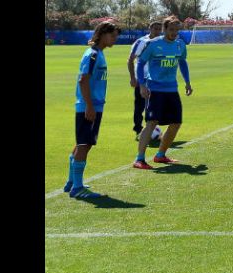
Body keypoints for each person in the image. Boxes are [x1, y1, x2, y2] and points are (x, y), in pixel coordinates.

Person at [64, 21, 121, 198]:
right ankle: (77, 188)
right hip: (88, 106)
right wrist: (89, 105)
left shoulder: (99, 54)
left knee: (83, 142)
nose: (115, 39)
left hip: (93, 105)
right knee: (84, 144)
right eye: (112, 36)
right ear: (102, 34)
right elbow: (83, 80)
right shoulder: (93, 55)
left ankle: (71, 182)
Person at [133, 16, 193, 169]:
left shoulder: (180, 45)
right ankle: (139, 159)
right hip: (155, 90)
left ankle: (160, 155)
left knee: (176, 123)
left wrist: (187, 82)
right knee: (152, 123)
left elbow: (182, 62)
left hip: (172, 89)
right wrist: (142, 85)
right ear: (164, 29)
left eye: (177, 30)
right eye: (171, 29)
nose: (174, 33)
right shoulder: (152, 44)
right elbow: (140, 64)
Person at [128, 20, 162, 140]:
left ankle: (152, 129)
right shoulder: (141, 42)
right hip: (142, 79)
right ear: (150, 29)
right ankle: (138, 130)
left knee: (155, 105)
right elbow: (130, 60)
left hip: (156, 80)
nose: (158, 31)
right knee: (140, 106)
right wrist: (133, 78)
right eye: (155, 29)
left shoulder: (163, 42)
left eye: (159, 29)